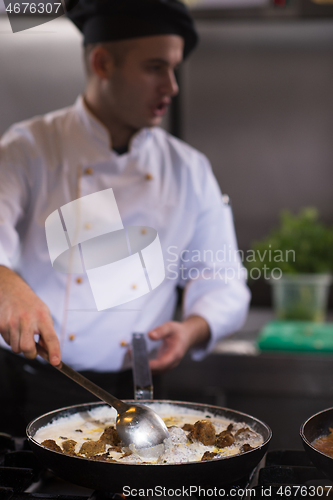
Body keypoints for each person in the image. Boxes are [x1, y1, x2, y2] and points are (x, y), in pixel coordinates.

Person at [0, 0, 250, 435]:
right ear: (102, 62)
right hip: (28, 387)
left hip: (137, 398)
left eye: (174, 68)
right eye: (155, 67)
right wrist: (5, 281)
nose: (171, 87)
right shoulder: (29, 149)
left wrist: (191, 329)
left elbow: (222, 280)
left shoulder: (188, 168)